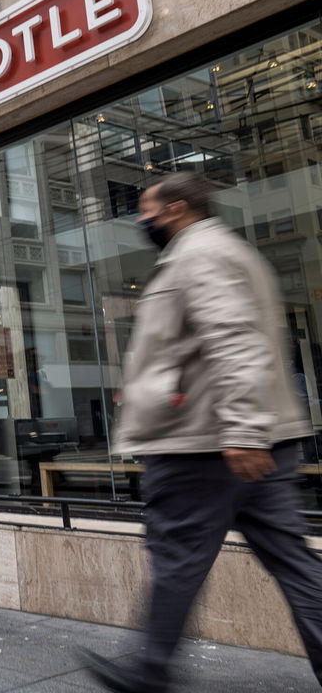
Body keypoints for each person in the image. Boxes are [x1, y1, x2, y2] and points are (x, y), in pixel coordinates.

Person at [82, 173, 322, 692]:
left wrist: (241, 428)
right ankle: (148, 668)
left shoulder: (201, 255)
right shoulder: (225, 252)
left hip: (206, 445)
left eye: (145, 209)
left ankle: (148, 672)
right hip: (244, 441)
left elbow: (235, 341)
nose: (141, 220)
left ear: (173, 209)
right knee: (295, 566)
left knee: (177, 560)